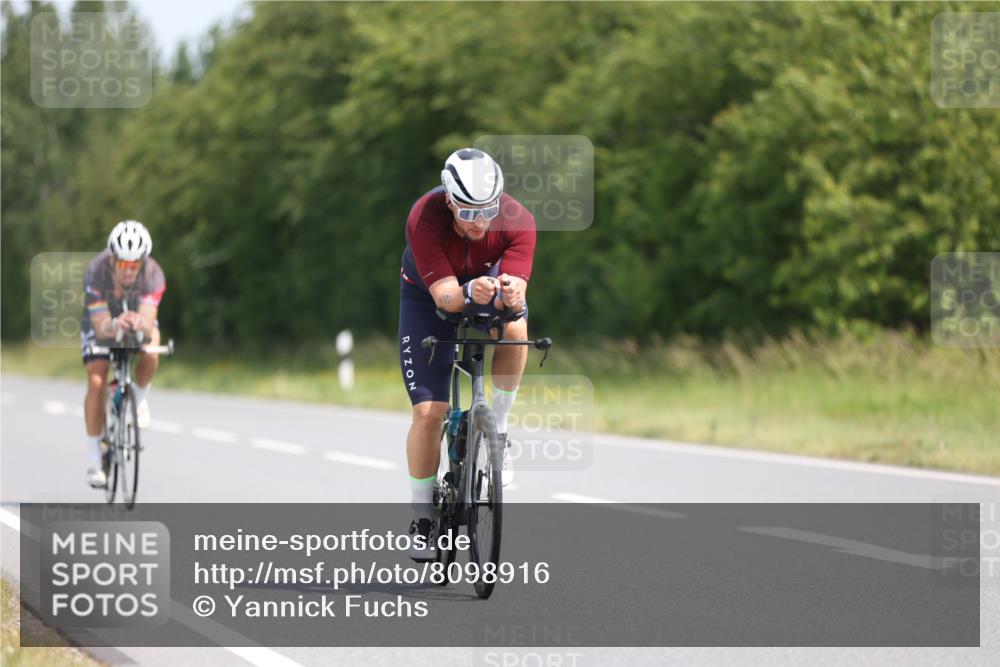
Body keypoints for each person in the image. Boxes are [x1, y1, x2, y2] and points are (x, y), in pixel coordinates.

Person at [398, 148, 536, 560]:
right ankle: (423, 517)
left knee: (516, 327)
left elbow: (518, 293)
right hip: (427, 298)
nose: (480, 222)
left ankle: (501, 431)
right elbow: (445, 297)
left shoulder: (520, 222)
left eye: (488, 210)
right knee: (428, 413)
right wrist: (468, 290)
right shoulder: (424, 217)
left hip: (486, 289)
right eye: (469, 212)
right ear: (449, 200)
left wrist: (512, 292)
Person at [81, 220, 165, 488]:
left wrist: (140, 324)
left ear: (143, 262)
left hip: (134, 315)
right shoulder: (96, 272)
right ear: (113, 258)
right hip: (102, 320)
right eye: (123, 264)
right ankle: (95, 456)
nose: (129, 270)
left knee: (151, 348)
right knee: (97, 382)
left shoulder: (154, 274)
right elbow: (101, 325)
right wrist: (116, 324)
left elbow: (148, 319)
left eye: (134, 264)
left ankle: (139, 398)